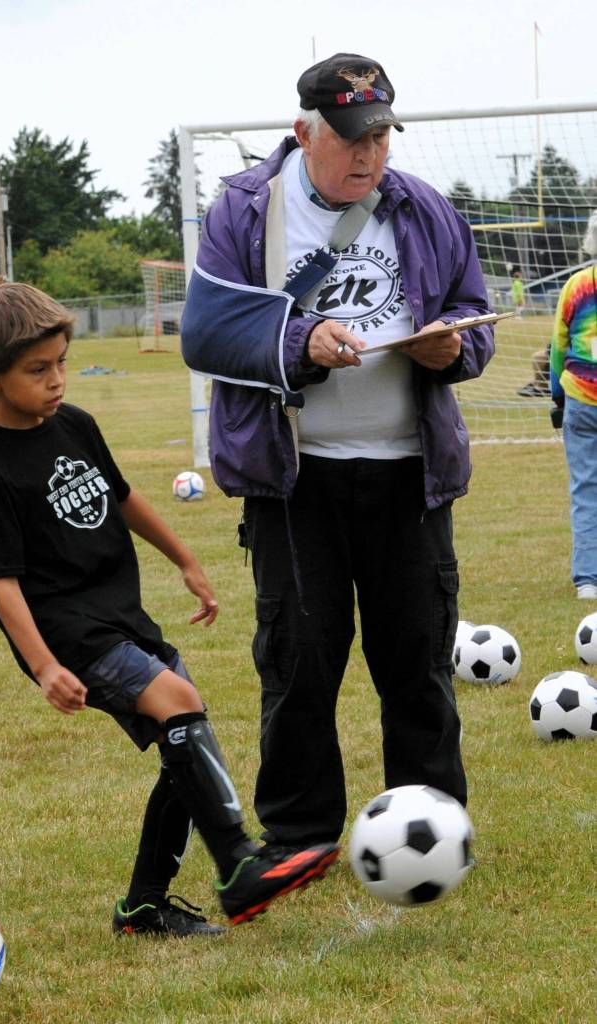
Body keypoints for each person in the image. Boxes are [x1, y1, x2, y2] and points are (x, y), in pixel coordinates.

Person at [0, 281, 338, 937]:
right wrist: (44, 666)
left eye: (62, 363)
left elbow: (123, 496)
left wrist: (184, 559)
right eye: (37, 370)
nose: (57, 381)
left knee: (181, 740)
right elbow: (2, 583)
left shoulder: (74, 425)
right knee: (180, 708)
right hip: (70, 637)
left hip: (119, 615)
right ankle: (239, 865)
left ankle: (143, 907)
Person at [182, 52, 495, 855]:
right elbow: (207, 331)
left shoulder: (423, 209)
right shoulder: (243, 211)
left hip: (407, 475)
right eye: (352, 138)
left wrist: (447, 351)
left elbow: (473, 313)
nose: (368, 154)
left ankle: (428, 822)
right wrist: (301, 339)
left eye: (381, 137)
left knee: (417, 660)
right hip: (295, 481)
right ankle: (299, 833)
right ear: (302, 132)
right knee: (298, 663)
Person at [550, 211, 597, 600]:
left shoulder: (577, 285)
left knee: (585, 489)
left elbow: (558, 346)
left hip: (580, 397)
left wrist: (556, 394)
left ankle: (587, 579)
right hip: (582, 398)